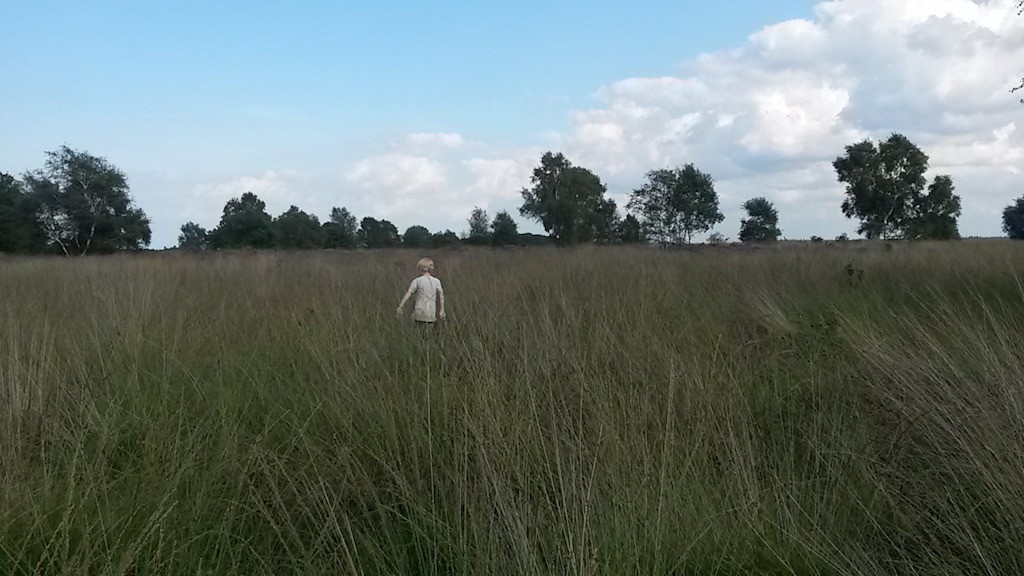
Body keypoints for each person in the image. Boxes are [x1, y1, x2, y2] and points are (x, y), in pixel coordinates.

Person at [396, 257, 445, 326]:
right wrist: (442, 310)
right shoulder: (436, 281)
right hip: (431, 311)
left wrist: (401, 306)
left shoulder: (417, 281)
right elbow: (441, 296)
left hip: (419, 310)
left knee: (417, 329)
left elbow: (408, 294)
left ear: (420, 268)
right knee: (429, 331)